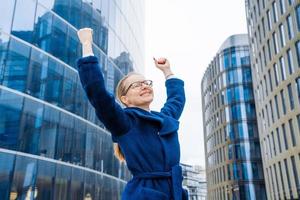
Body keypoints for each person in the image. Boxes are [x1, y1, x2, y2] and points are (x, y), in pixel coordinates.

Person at [77, 28, 188, 200]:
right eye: (136, 85)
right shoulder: (124, 121)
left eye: (146, 82)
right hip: (145, 194)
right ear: (125, 99)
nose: (144, 86)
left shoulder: (165, 118)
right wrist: (86, 45)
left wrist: (167, 70)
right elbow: (97, 93)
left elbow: (177, 99)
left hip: (175, 193)